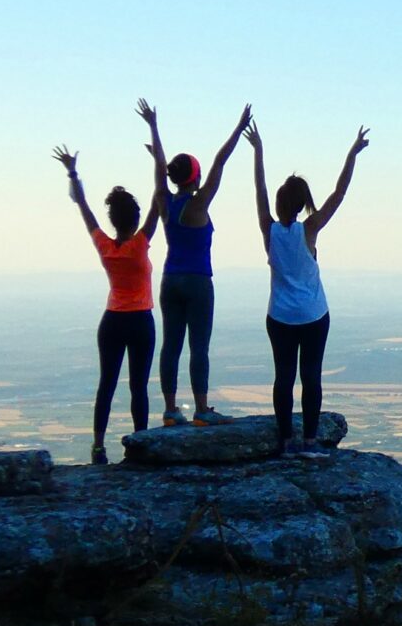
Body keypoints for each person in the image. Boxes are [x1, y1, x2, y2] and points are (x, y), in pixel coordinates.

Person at [246, 117, 369, 455]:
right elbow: (339, 194)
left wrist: (258, 151)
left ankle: (285, 440)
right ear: (301, 204)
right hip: (314, 315)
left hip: (280, 316)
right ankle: (310, 441)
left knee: (283, 378)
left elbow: (259, 190)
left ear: (279, 203)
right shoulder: (309, 229)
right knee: (311, 376)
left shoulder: (269, 231)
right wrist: (352, 153)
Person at [136, 97, 252, 427]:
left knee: (171, 345)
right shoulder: (198, 205)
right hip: (198, 281)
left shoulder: (164, 200)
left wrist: (154, 127)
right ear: (195, 178)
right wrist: (238, 128)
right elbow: (221, 161)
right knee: (199, 346)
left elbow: (160, 169)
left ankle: (171, 410)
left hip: (170, 280)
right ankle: (201, 410)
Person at [52, 135, 165, 465]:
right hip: (141, 320)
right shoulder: (140, 243)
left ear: (115, 220)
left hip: (112, 320)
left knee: (107, 385)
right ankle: (140, 443)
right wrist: (158, 158)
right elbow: (160, 199)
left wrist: (73, 174)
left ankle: (98, 447)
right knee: (139, 387)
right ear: (134, 220)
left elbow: (85, 209)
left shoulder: (105, 245)